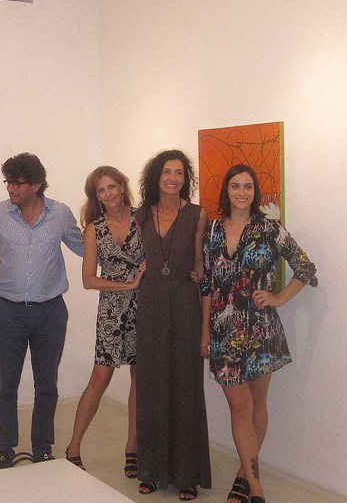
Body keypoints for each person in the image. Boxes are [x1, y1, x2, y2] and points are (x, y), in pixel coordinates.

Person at [200, 164, 317, 503]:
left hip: (262, 330)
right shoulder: (211, 231)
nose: (242, 192)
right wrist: (204, 330)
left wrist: (278, 297)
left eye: (248, 186)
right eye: (235, 186)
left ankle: (245, 475)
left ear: (255, 192)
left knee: (257, 403)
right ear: (227, 190)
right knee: (239, 406)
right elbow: (206, 285)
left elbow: (305, 268)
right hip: (223, 332)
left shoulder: (269, 228)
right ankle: (257, 488)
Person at [0, 152, 84, 469]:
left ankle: (42, 448)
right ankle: (4, 449)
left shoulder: (60, 214)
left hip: (50, 312)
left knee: (47, 384)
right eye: (7, 182)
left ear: (36, 185)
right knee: (5, 385)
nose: (10, 188)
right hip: (7, 312)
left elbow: (84, 247)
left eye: (17, 183)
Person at [134, 150, 211, 501]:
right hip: (150, 304)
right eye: (167, 172)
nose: (173, 179)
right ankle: (151, 470)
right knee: (151, 386)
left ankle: (187, 475)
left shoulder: (197, 214)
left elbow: (199, 261)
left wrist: (199, 274)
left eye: (179, 173)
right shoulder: (141, 216)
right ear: (156, 176)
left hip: (183, 304)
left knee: (185, 386)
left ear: (186, 178)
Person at [64, 166, 145, 476]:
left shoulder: (143, 219)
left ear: (122, 187)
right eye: (102, 190)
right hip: (112, 312)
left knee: (140, 379)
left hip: (145, 308)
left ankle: (132, 448)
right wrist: (129, 285)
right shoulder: (94, 229)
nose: (109, 193)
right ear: (95, 196)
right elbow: (88, 280)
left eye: (113, 186)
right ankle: (73, 447)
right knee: (100, 378)